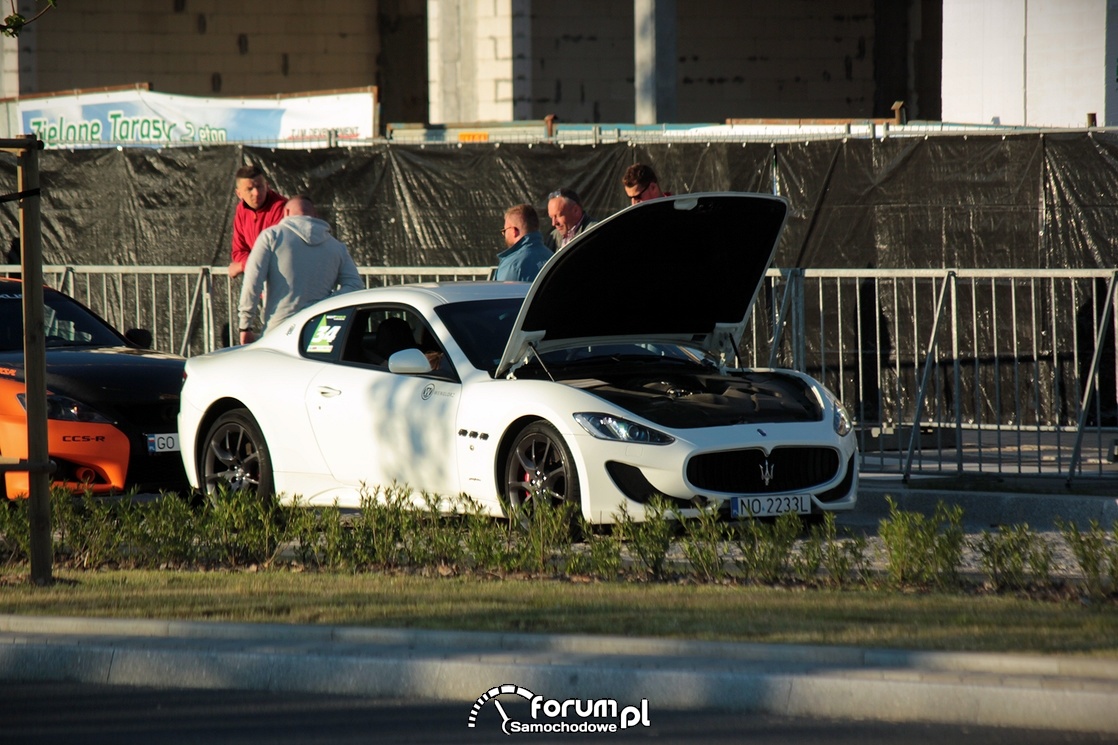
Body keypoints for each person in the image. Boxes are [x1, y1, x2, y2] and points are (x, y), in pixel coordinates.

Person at [237, 195, 362, 344]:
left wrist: (245, 326)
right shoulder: (336, 246)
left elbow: (253, 281)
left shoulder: (272, 237)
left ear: (286, 212)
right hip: (320, 329)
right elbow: (355, 285)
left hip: (279, 329)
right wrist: (325, 303)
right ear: (315, 215)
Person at [230, 165, 287, 279]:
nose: (256, 193)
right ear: (239, 194)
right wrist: (250, 265)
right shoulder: (241, 209)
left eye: (259, 186)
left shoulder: (281, 208)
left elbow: (273, 256)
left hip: (282, 285)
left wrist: (242, 266)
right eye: (250, 189)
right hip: (260, 285)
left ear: (267, 185)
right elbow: (239, 251)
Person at [495, 204, 552, 282]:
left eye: (504, 231)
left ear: (514, 231)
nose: (504, 235)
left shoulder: (513, 266)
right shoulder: (551, 257)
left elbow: (502, 293)